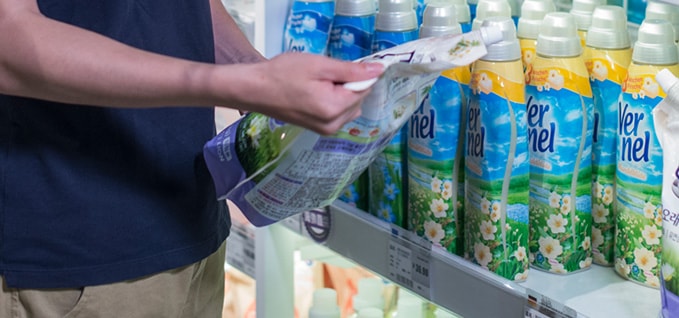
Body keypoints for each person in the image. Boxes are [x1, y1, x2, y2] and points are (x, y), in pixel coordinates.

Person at [0, 0, 384, 317]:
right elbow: (8, 38)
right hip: (77, 260)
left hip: (190, 229)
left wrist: (250, 71)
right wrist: (240, 85)